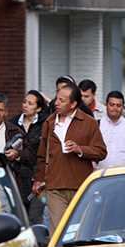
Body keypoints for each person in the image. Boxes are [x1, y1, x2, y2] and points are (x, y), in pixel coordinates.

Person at [33, 84, 107, 231]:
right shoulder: (49, 122)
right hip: (54, 186)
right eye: (57, 99)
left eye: (62, 100)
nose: (56, 103)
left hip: (79, 186)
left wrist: (80, 149)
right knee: (58, 231)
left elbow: (101, 152)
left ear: (73, 104)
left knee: (79, 231)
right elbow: (42, 154)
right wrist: (39, 179)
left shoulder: (89, 122)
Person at [9, 90, 48, 223]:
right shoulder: (13, 123)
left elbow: (42, 152)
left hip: (37, 177)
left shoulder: (45, 124)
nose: (25, 105)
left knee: (35, 217)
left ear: (39, 108)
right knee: (18, 216)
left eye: (30, 103)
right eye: (24, 102)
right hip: (17, 177)